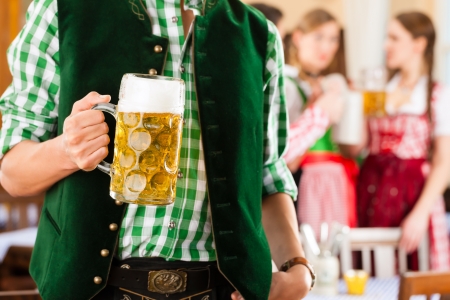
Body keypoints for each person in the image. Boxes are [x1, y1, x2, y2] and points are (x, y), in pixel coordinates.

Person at [0, 0, 314, 299]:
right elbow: (13, 174)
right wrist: (67, 151)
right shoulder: (60, 9)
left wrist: (297, 268)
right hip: (95, 291)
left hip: (224, 290)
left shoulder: (259, 33)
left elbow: (267, 173)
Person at [346, 12, 450, 270]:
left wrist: (420, 213)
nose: (385, 46)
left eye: (394, 38)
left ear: (419, 44)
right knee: (371, 269)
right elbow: (356, 148)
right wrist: (355, 105)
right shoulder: (379, 91)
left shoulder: (438, 94)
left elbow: (444, 162)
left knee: (415, 268)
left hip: (413, 194)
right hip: (372, 188)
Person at [283, 9, 356, 238]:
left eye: (333, 39)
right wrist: (317, 110)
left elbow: (352, 146)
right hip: (301, 184)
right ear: (298, 37)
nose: (327, 47)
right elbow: (287, 159)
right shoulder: (287, 83)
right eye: (319, 37)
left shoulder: (329, 85)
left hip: (332, 182)